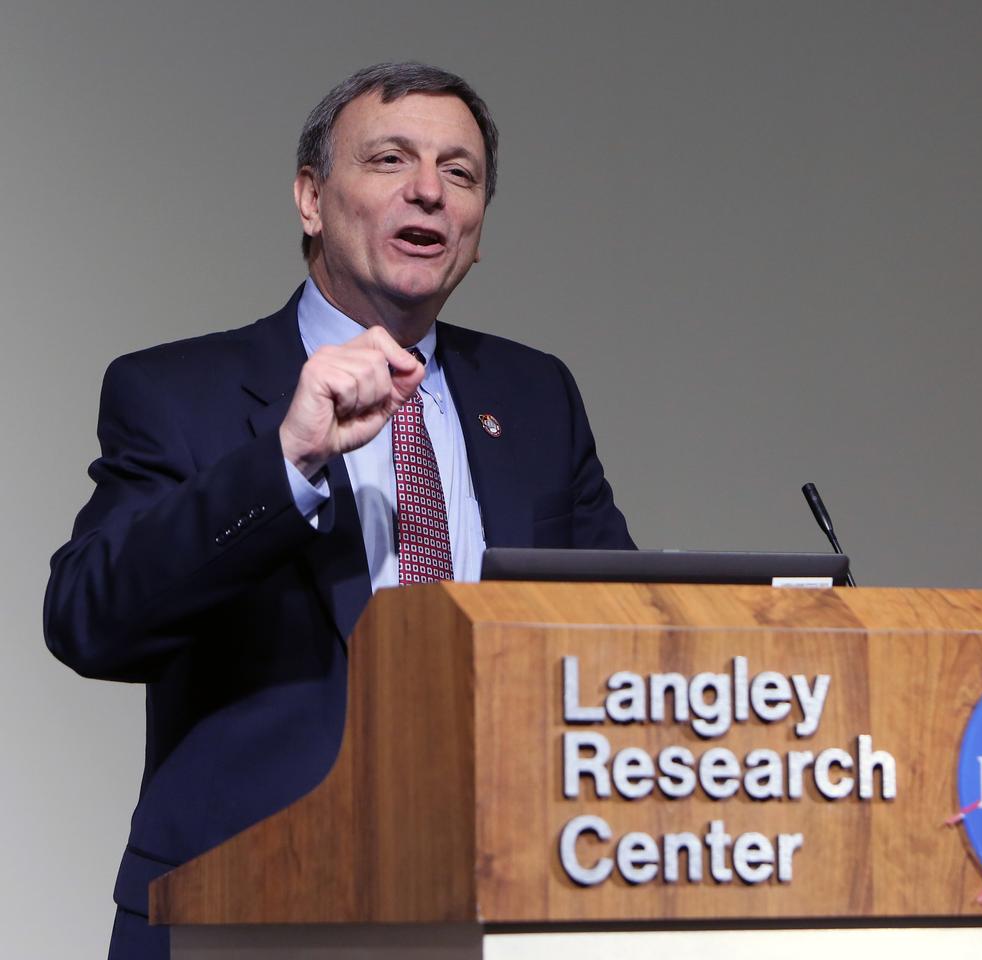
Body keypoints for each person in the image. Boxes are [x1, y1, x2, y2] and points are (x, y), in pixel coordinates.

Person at [44, 61, 633, 959]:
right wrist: (287, 460)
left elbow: (621, 631)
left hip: (499, 901)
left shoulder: (536, 395)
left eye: (460, 172)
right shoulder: (177, 391)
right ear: (311, 199)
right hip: (246, 911)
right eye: (391, 159)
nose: (429, 191)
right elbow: (89, 622)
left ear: (478, 228)